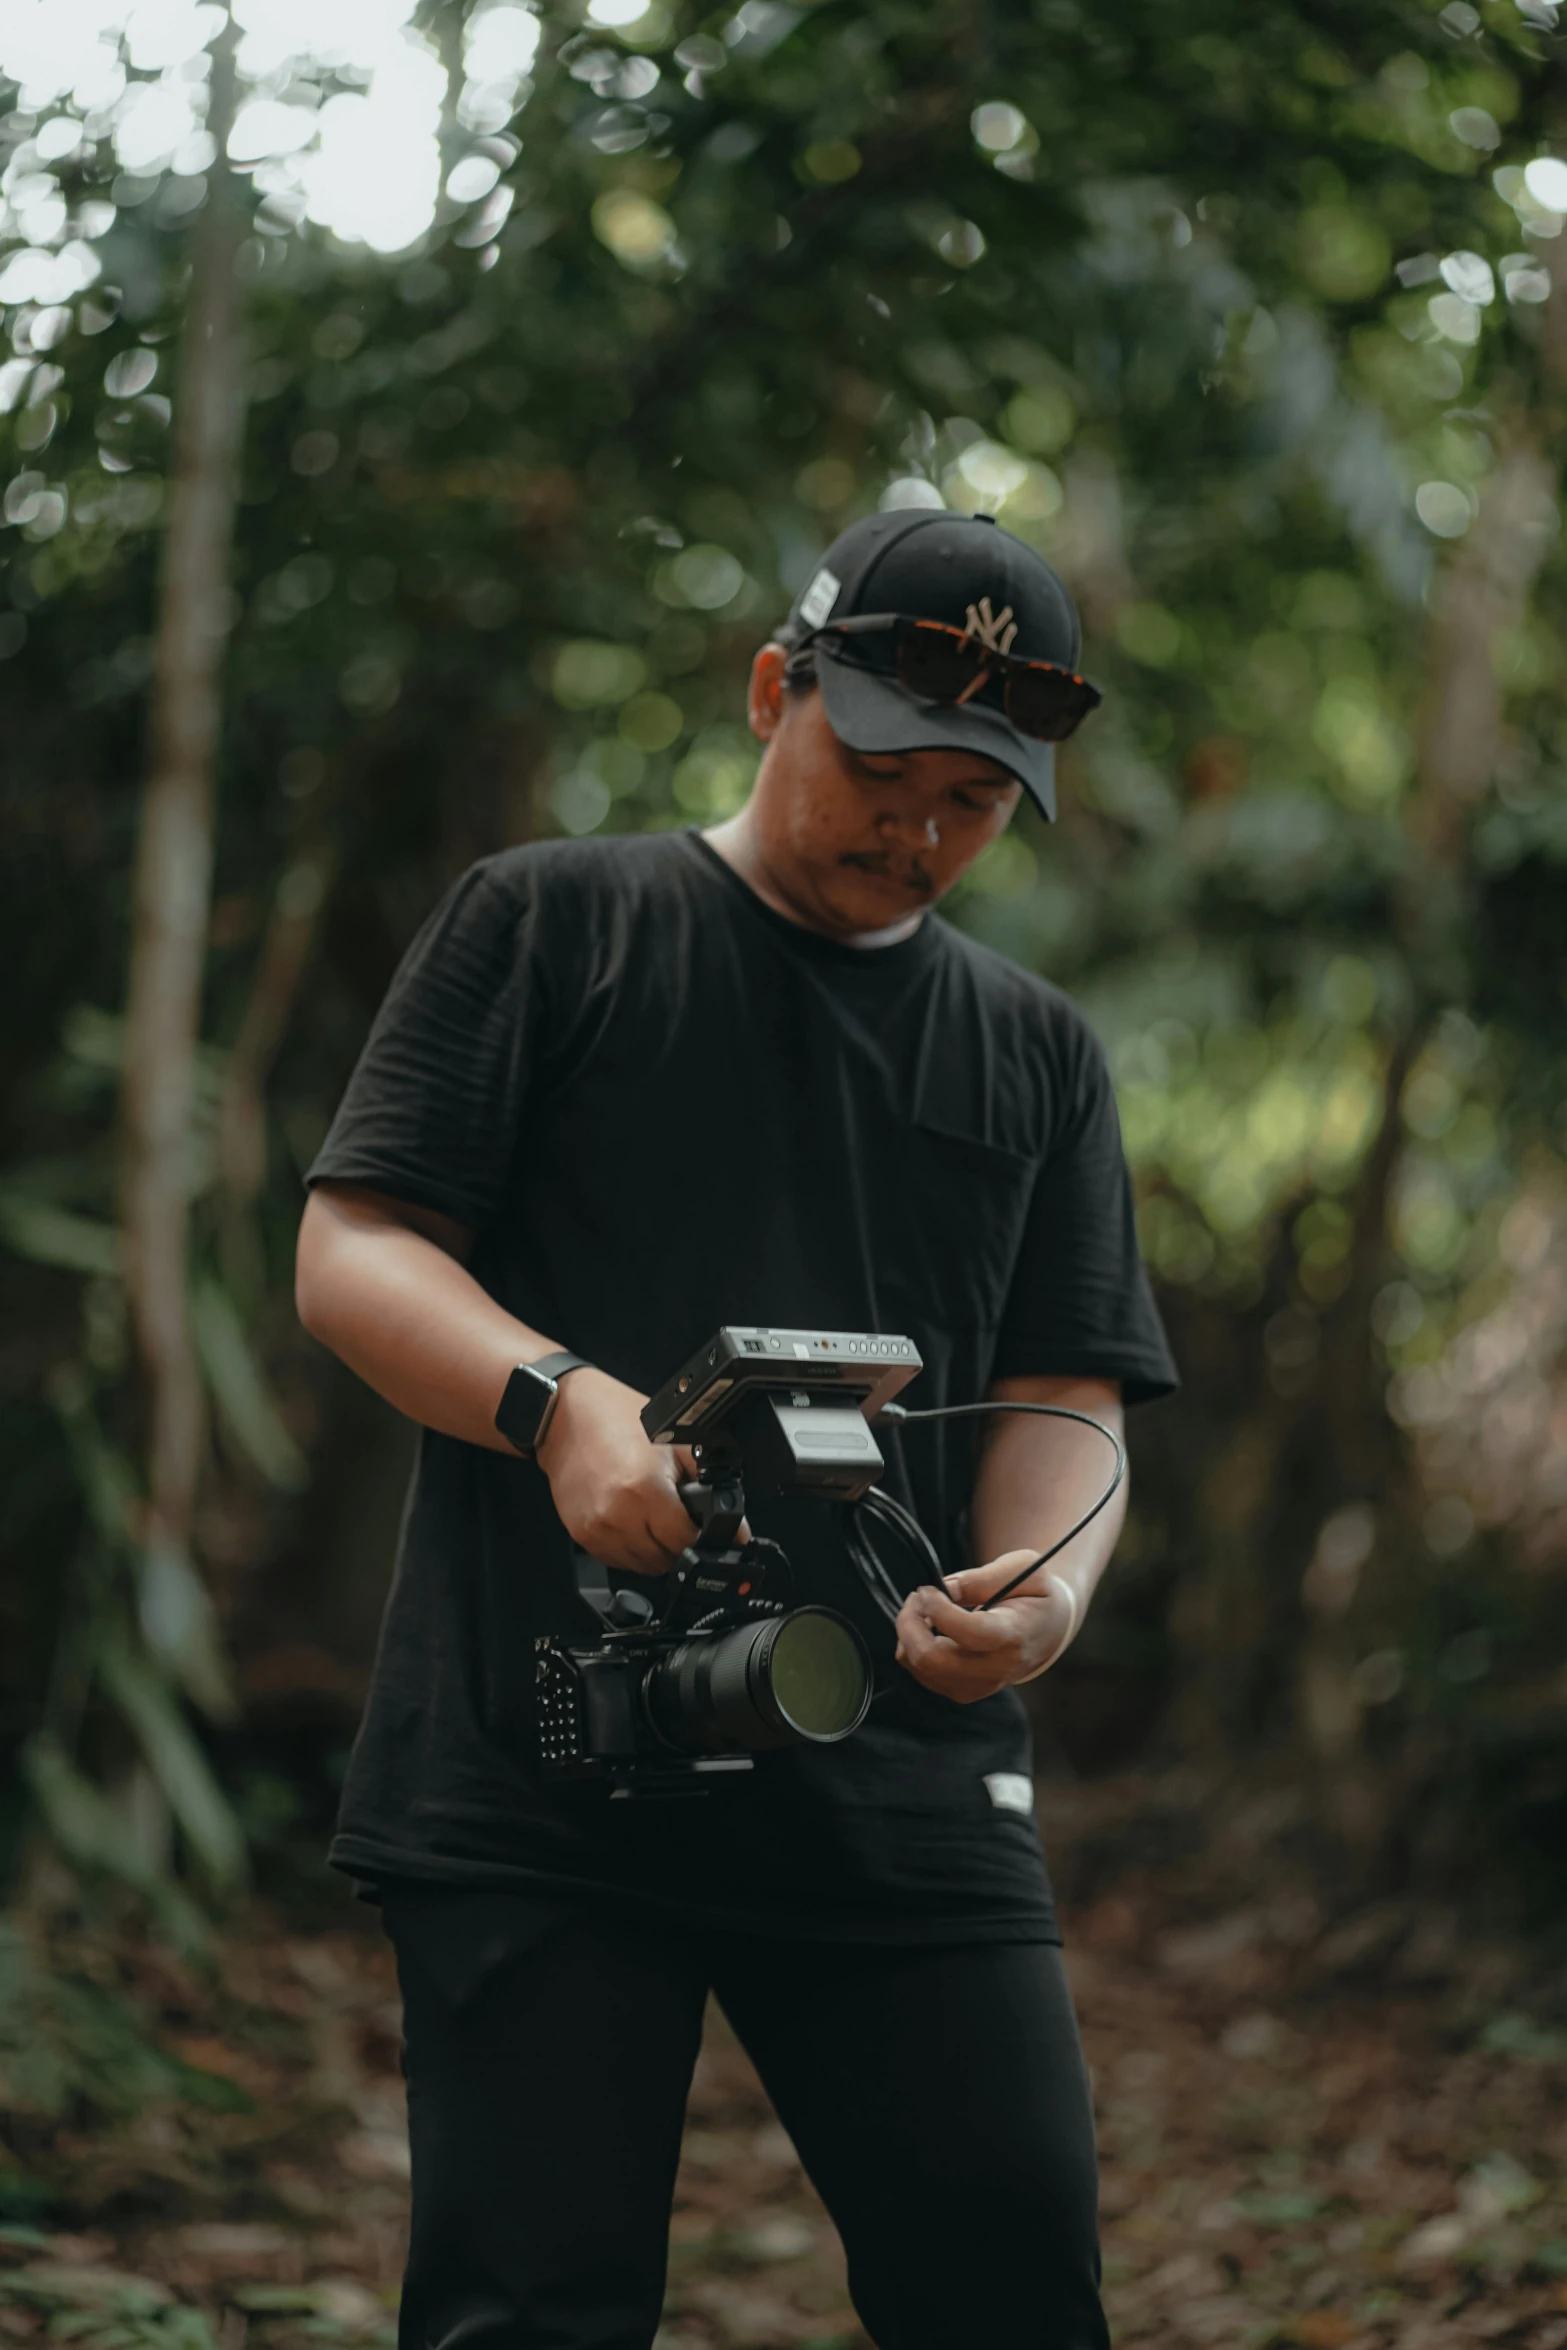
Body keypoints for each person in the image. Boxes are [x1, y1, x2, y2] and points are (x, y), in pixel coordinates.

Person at [295, 507, 1177, 2350]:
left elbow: (1069, 1386)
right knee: (528, 2305)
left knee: (1010, 2277)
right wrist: (555, 1408)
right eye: (877, 768)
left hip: (899, 1757)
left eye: (972, 799)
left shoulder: (1034, 1050)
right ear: (773, 690)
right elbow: (353, 1245)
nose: (917, 832)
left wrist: (1049, 1589)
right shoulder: (551, 922)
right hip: (550, 1748)